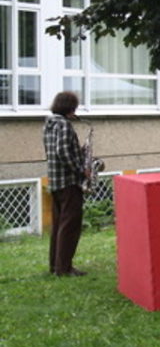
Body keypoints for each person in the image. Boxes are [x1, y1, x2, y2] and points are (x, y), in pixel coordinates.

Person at [43, 91, 88, 277]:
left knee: (59, 225)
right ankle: (64, 269)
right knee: (70, 226)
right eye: (74, 108)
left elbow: (57, 150)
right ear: (69, 108)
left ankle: (55, 266)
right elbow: (62, 151)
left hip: (55, 181)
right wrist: (81, 169)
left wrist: (80, 151)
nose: (75, 112)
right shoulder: (64, 125)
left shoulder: (49, 124)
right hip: (69, 182)